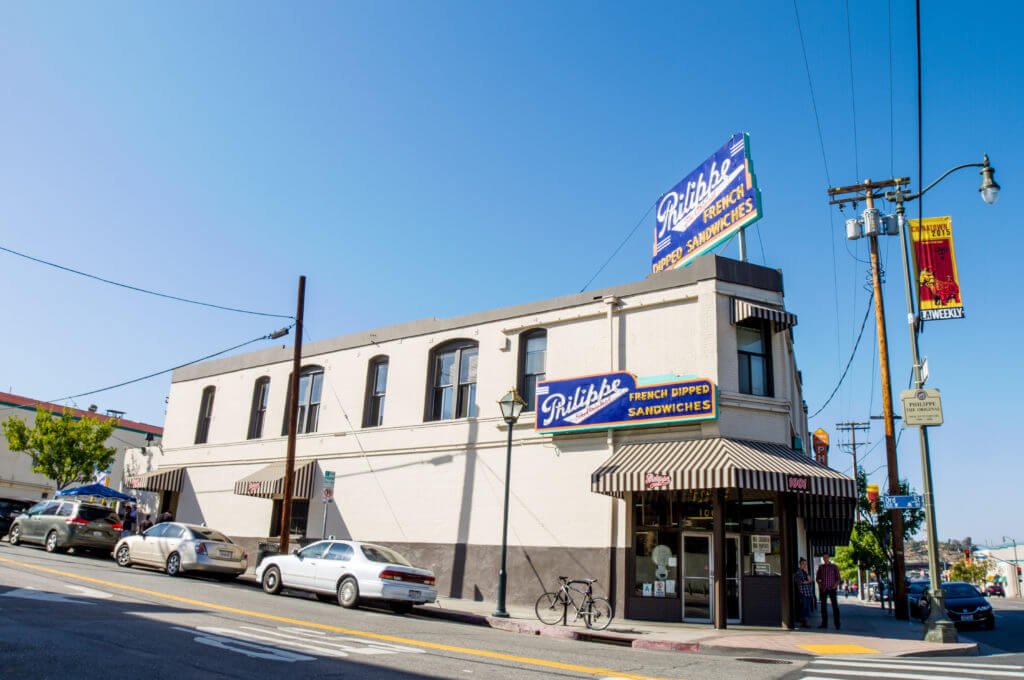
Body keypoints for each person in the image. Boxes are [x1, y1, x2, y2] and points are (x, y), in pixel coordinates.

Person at [816, 552, 842, 629]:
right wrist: (820, 586)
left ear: (829, 558)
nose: (825, 559)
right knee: (823, 607)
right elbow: (817, 578)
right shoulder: (821, 567)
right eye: (824, 557)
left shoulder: (834, 567)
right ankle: (824, 624)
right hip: (824, 589)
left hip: (832, 589)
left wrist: (834, 587)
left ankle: (837, 624)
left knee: (835, 607)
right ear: (823, 558)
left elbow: (838, 579)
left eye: (826, 557)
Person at [794, 557, 815, 627]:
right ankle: (803, 622)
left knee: (807, 608)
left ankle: (805, 622)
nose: (805, 565)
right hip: (803, 593)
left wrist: (807, 573)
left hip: (808, 593)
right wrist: (808, 581)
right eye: (803, 564)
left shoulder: (805, 572)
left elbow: (810, 580)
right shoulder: (798, 572)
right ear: (800, 564)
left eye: (805, 564)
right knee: (804, 608)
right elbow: (800, 582)